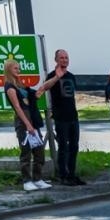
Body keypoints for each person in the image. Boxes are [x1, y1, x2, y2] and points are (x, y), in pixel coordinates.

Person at [2, 59, 47, 191]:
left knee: (39, 148)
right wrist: (28, 124)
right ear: (9, 69)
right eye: (16, 68)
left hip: (32, 117)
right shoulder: (9, 87)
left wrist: (46, 84)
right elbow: (17, 107)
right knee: (26, 150)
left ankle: (38, 178)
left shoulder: (21, 85)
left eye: (19, 68)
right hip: (23, 120)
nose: (18, 70)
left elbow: (36, 95)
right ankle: (27, 180)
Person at [40, 48, 83, 185]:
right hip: (60, 118)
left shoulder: (71, 76)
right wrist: (57, 77)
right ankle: (62, 176)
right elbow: (44, 87)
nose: (64, 60)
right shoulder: (52, 75)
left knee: (74, 147)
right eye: (62, 58)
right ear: (56, 60)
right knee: (63, 147)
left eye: (66, 58)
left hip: (73, 117)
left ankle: (72, 174)